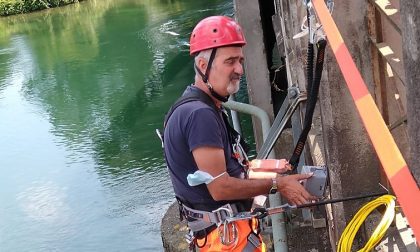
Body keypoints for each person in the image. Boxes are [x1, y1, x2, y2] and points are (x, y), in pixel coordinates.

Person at [162, 16, 315, 251]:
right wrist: (278, 184)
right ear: (203, 66)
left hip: (229, 237)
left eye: (240, 61)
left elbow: (230, 169)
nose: (240, 70)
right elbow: (220, 187)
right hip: (225, 241)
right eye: (230, 61)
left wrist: (273, 168)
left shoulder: (202, 107)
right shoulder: (199, 115)